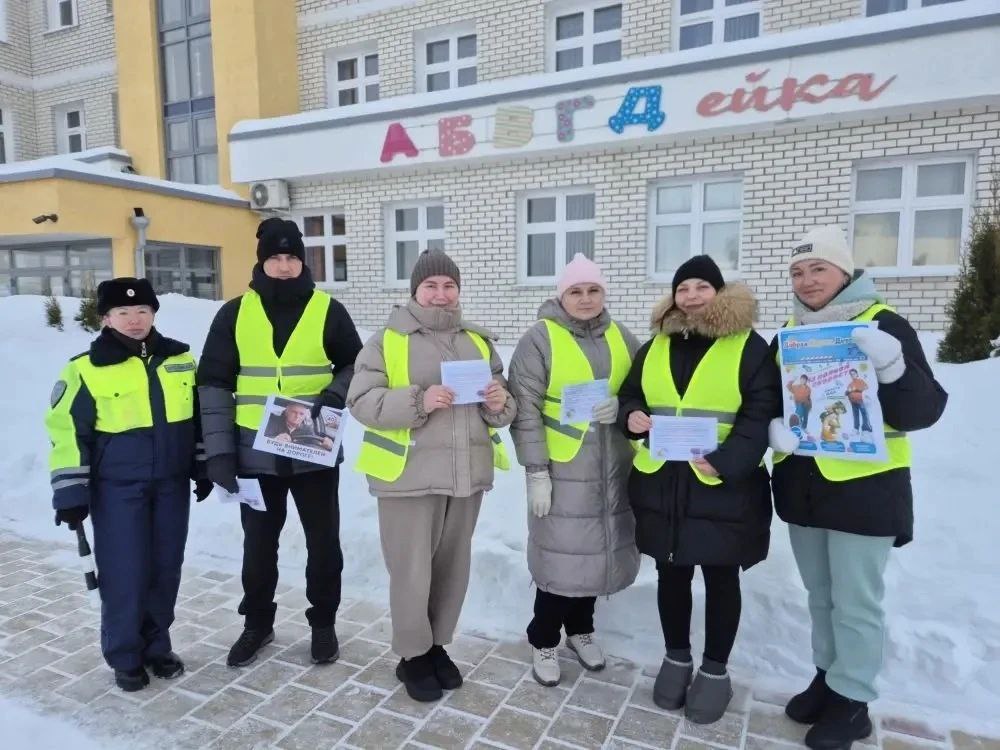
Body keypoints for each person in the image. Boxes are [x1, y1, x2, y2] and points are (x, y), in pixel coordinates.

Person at [768, 225, 947, 749]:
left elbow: (924, 409)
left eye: (817, 269)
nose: (806, 280)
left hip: (865, 492)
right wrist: (776, 429)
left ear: (845, 272)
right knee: (820, 595)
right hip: (803, 488)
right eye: (798, 272)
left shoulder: (883, 322)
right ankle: (828, 677)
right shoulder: (790, 331)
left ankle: (854, 701)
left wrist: (892, 365)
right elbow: (771, 397)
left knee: (857, 601)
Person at [347, 249, 516, 702]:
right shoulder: (388, 339)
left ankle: (438, 644)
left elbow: (503, 404)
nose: (440, 295)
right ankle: (412, 655)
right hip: (407, 476)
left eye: (449, 286)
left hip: (466, 475)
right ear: (415, 291)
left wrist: (499, 403)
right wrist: (419, 400)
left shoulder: (478, 341)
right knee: (411, 571)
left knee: (451, 568)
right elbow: (362, 401)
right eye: (431, 286)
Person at [618, 255, 778, 724]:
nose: (690, 296)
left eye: (700, 287)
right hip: (665, 485)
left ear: (718, 292)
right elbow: (633, 393)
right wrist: (632, 416)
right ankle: (676, 657)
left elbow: (761, 411)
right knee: (672, 574)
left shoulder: (748, 346)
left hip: (723, 485)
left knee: (722, 578)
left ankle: (714, 671)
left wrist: (727, 462)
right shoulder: (655, 346)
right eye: (682, 288)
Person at [197, 218, 362, 668]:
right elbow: (212, 384)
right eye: (276, 257)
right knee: (258, 547)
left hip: (312, 448)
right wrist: (220, 453)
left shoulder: (328, 310)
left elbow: (358, 365)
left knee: (323, 543)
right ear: (262, 261)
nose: (285, 266)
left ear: (302, 261)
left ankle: (323, 623)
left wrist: (334, 394)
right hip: (255, 453)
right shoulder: (234, 312)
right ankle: (257, 625)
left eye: (292, 257)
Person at [45, 278, 211, 692]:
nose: (134, 320)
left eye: (142, 312)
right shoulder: (85, 368)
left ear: (154, 313)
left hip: (171, 485)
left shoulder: (180, 359)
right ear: (106, 317)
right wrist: (70, 492)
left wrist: (203, 466)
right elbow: (67, 432)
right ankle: (125, 655)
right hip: (118, 489)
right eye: (123, 312)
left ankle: (157, 647)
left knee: (165, 570)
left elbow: (198, 420)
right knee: (125, 573)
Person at [507, 253, 640, 687]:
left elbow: (643, 391)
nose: (585, 299)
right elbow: (525, 410)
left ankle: (581, 631)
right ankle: (543, 638)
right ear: (561, 296)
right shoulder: (539, 339)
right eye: (575, 291)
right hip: (563, 473)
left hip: (614, 469)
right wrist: (536, 471)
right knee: (560, 562)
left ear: (604, 293)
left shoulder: (623, 336)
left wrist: (623, 407)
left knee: (597, 556)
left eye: (593, 290)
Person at [263, 401, 333, 450]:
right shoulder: (272, 421)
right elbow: (261, 439)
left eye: (301, 414)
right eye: (294, 412)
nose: (297, 416)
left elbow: (314, 443)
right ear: (286, 412)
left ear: (305, 416)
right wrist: (274, 440)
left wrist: (326, 444)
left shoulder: (307, 429)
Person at [845, 368, 872, 437]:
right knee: (855, 415)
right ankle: (856, 429)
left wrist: (856, 389)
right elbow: (847, 392)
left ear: (857, 374)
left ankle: (865, 429)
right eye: (851, 374)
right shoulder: (850, 384)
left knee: (864, 414)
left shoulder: (860, 381)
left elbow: (866, 387)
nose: (852, 375)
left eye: (853, 374)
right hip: (853, 402)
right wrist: (847, 392)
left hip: (860, 401)